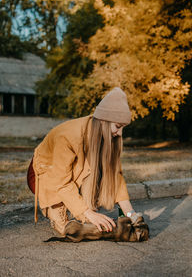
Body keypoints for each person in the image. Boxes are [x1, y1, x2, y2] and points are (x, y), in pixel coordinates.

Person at [31, 87, 142, 236]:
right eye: (118, 127)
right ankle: (56, 206)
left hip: (69, 173)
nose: (120, 133)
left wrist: (130, 214)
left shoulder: (105, 136)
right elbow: (61, 182)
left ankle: (78, 207)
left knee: (86, 212)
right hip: (45, 172)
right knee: (66, 229)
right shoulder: (68, 136)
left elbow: (116, 175)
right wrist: (87, 213)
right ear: (103, 121)